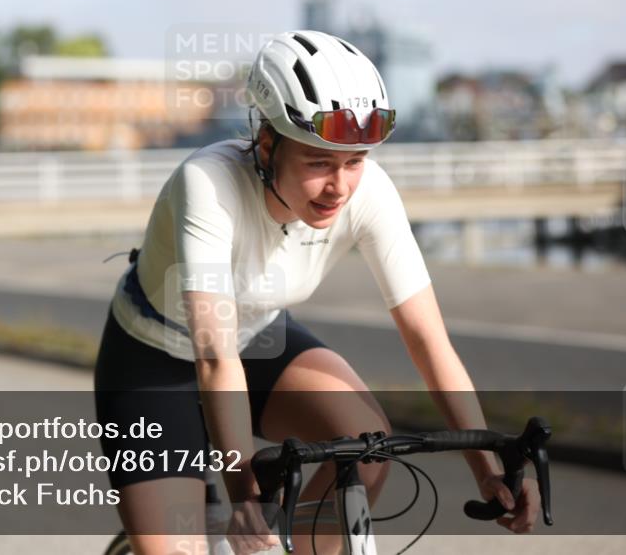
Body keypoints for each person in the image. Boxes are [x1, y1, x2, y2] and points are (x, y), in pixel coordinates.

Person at [94, 30, 539, 555]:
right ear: (267, 146)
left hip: (258, 338)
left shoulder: (369, 192)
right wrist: (246, 494)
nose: (340, 186)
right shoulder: (209, 184)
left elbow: (427, 340)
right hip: (152, 360)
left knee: (366, 448)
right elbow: (214, 357)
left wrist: (487, 469)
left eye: (354, 161)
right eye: (318, 162)